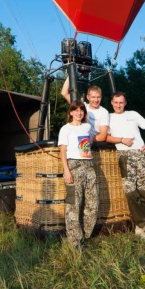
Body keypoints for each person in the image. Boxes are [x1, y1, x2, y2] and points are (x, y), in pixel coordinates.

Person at [106, 91, 145, 239]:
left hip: (141, 155)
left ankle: (139, 227)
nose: (118, 105)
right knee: (130, 191)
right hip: (125, 156)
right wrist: (122, 140)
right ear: (111, 103)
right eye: (115, 102)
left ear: (125, 103)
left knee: (144, 190)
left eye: (121, 102)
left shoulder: (133, 114)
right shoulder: (108, 118)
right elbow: (105, 137)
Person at [58, 100, 99, 248]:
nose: (79, 112)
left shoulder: (87, 127)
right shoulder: (65, 129)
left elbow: (92, 138)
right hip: (73, 166)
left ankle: (86, 235)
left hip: (88, 165)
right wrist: (66, 171)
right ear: (70, 112)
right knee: (73, 205)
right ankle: (74, 241)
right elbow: (62, 151)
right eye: (75, 110)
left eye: (81, 110)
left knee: (93, 202)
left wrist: (90, 141)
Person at [61, 77, 109, 142]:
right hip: (78, 138)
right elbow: (64, 93)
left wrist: (87, 140)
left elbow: (102, 136)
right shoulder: (82, 106)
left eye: (98, 97)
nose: (96, 100)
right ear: (88, 97)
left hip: (92, 143)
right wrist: (70, 75)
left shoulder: (104, 112)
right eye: (93, 97)